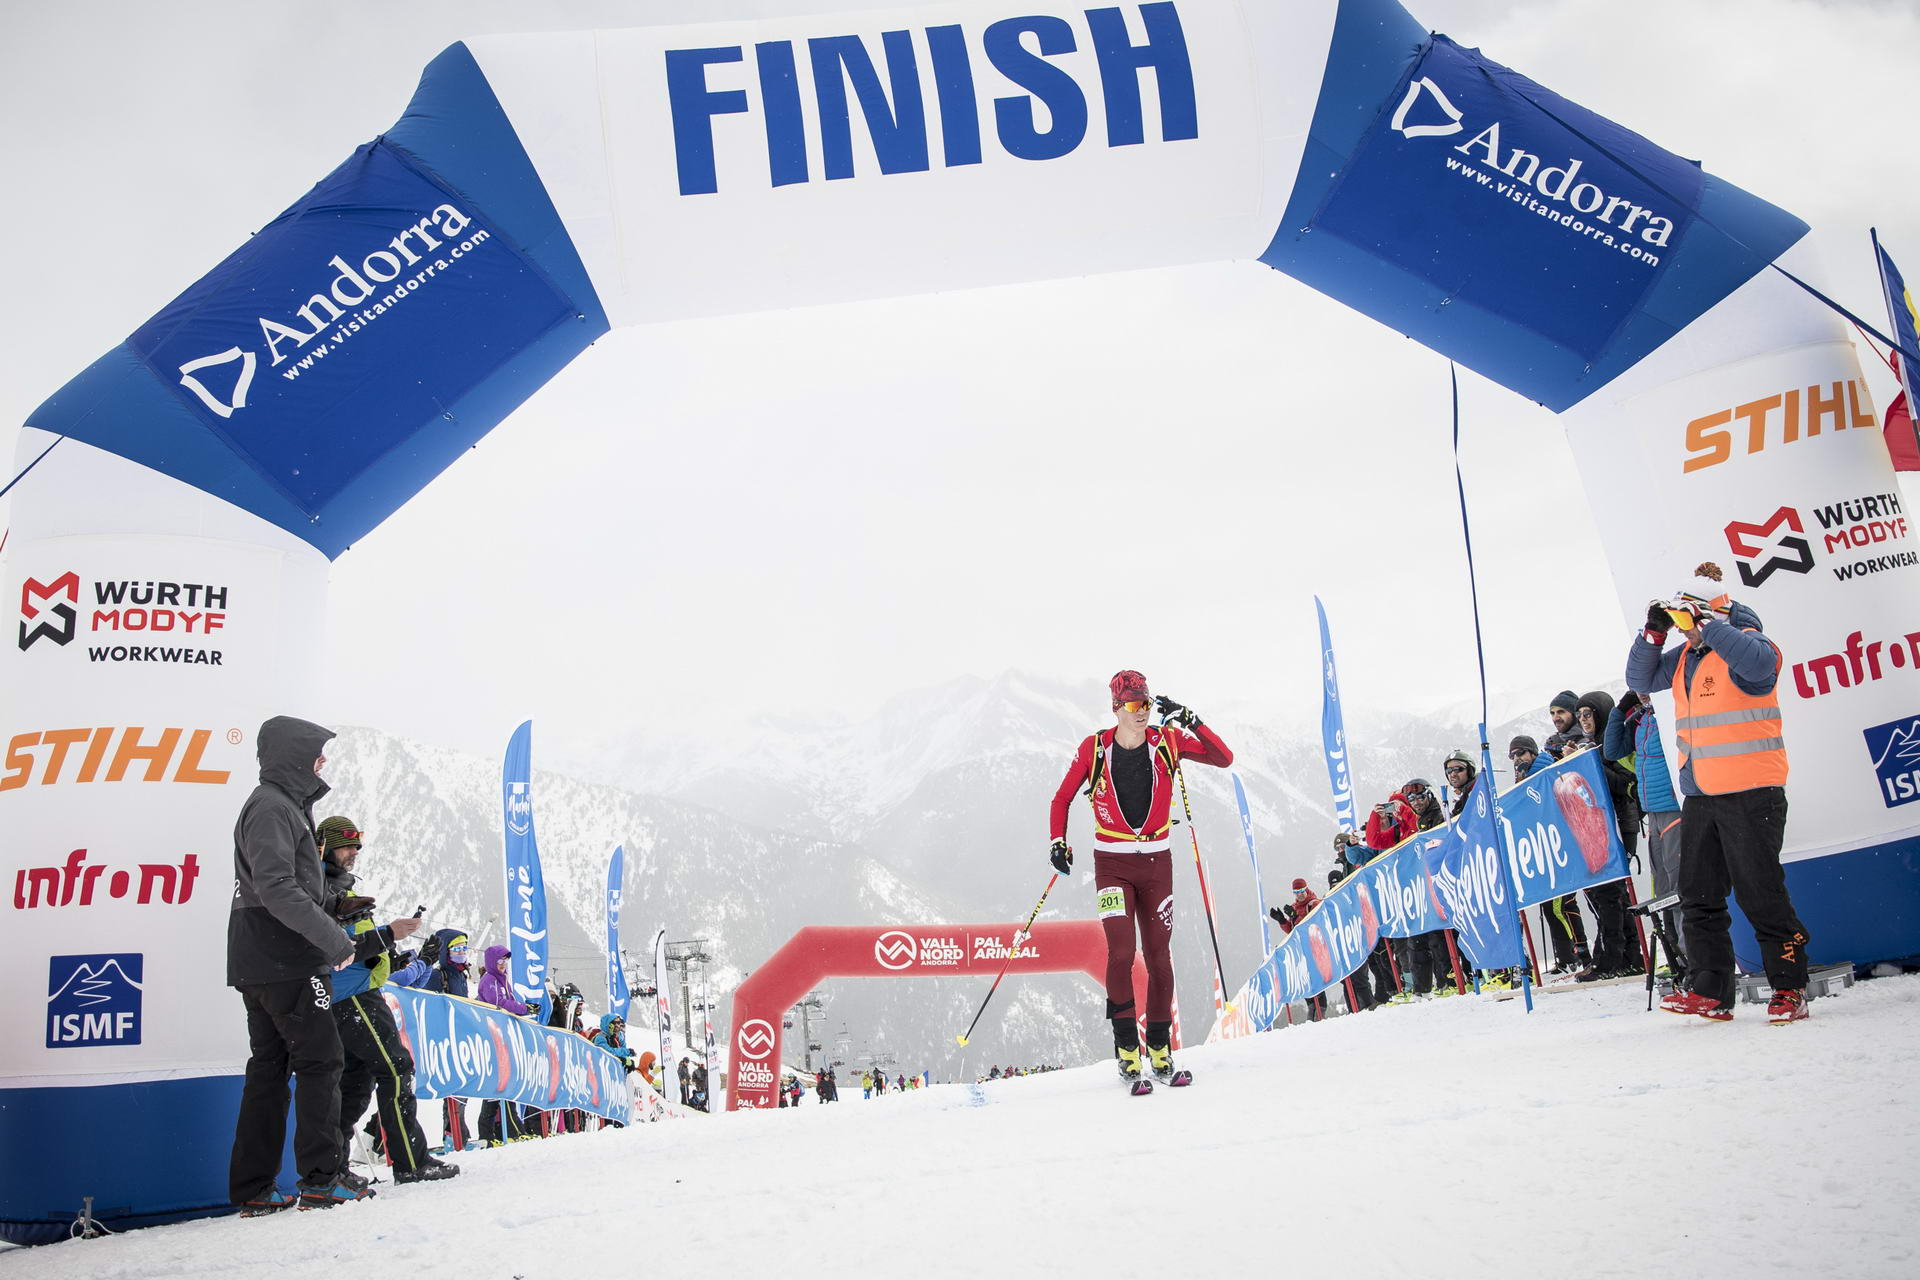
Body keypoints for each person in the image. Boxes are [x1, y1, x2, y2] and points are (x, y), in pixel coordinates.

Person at [1628, 583, 1809, 1025]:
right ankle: (1710, 990)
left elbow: (1758, 662)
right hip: (1702, 793)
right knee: (1698, 896)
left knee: (1760, 892)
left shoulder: (1754, 649)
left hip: (1752, 790)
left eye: (1689, 621)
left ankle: (1789, 988)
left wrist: (1709, 624)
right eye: (1681, 623)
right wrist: (1653, 633)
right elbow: (1640, 680)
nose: (1684, 631)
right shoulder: (1688, 657)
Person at [1049, 671, 1232, 1087]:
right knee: (1119, 954)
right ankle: (1128, 1051)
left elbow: (1223, 758)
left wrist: (1191, 719)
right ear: (1116, 708)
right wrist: (1057, 842)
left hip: (1156, 864)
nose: (1143, 712)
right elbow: (1061, 798)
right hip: (1111, 864)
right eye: (1133, 705)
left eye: (1146, 703)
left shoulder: (1166, 742)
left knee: (1159, 957)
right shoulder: (1094, 749)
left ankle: (1161, 1049)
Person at [227, 716, 370, 1215]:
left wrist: (332, 904)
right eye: (316, 752)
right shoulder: (272, 806)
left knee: (269, 1068)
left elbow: (285, 886)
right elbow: (276, 886)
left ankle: (254, 1186)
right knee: (322, 1061)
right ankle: (321, 1179)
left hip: (260, 955)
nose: (323, 761)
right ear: (292, 756)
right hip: (286, 957)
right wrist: (333, 940)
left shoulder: (280, 805)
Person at [315, 817, 456, 1186]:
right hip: (354, 997)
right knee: (395, 1068)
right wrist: (388, 935)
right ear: (325, 847)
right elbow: (339, 947)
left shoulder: (336, 885)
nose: (353, 854)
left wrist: (390, 958)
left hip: (354, 993)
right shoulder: (322, 886)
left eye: (357, 847)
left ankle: (334, 1166)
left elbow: (354, 944)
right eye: (346, 847)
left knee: (355, 1083)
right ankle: (411, 1161)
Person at [1605, 691, 1688, 975]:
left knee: (1680, 887)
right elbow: (1613, 750)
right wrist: (1621, 709)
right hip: (1653, 812)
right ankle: (1677, 958)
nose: (1641, 692)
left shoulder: (1670, 713)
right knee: (1663, 889)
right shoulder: (1642, 719)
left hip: (1675, 806)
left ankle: (1694, 960)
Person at [1572, 692, 1645, 980]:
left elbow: (1628, 785)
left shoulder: (1611, 742)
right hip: (1600, 827)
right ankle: (1629, 956)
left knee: (1609, 896)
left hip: (1618, 825)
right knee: (1611, 896)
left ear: (1601, 713)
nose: (1583, 721)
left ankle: (1611, 959)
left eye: (1587, 714)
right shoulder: (1591, 744)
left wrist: (1589, 764)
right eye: (1580, 717)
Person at [1517, 727, 1593, 976]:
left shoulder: (1543, 769)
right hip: (1546, 847)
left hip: (1561, 844)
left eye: (1520, 753)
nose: (1517, 760)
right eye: (1513, 756)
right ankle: (1567, 955)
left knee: (1561, 906)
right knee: (1552, 907)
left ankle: (1577, 953)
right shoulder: (1529, 775)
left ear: (1531, 752)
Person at [390, 927, 474, 1150]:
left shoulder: (461, 976)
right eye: (456, 948)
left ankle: (455, 1135)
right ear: (445, 951)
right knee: (411, 1088)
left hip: (458, 1041)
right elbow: (419, 1002)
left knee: (459, 1087)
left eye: (464, 948)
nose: (461, 952)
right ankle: (381, 1138)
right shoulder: (438, 975)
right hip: (436, 1042)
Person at [475, 945, 534, 1143]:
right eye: (500, 961)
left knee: (500, 1087)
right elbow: (498, 1003)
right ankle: (498, 1132)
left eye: (505, 961)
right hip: (493, 1038)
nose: (503, 964)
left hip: (502, 1039)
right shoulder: (489, 980)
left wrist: (524, 1007)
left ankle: (496, 1132)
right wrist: (523, 1008)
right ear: (492, 962)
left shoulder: (503, 980)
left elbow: (508, 1001)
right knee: (498, 1086)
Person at [1269, 878, 1327, 1021]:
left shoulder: (1314, 903)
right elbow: (1293, 930)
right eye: (1296, 892)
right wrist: (1282, 920)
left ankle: (1320, 1014)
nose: (1299, 895)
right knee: (1306, 981)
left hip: (1314, 949)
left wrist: (1296, 917)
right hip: (1301, 951)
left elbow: (1314, 923)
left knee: (1316, 980)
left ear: (1306, 889)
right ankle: (1312, 1013)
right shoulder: (1295, 907)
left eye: (1301, 891)